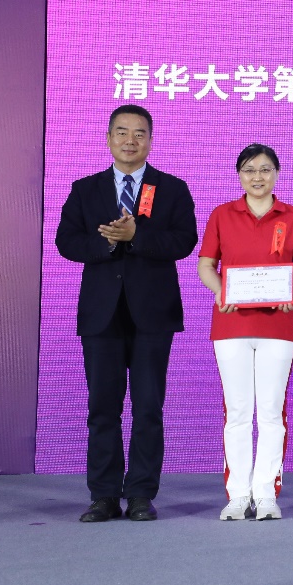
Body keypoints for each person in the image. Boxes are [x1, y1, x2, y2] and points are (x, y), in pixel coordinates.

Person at [55, 104, 197, 523]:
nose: (130, 140)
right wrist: (108, 243)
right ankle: (103, 495)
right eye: (122, 132)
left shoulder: (172, 188)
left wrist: (137, 236)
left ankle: (140, 494)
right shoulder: (86, 189)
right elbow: (66, 242)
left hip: (153, 314)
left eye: (139, 133)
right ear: (108, 139)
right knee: (103, 408)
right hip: (101, 315)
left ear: (150, 140)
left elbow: (184, 241)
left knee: (148, 408)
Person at [196, 144, 293, 521]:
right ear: (239, 175)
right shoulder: (222, 214)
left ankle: (265, 494)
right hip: (230, 324)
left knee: (271, 412)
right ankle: (237, 494)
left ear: (276, 174)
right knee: (237, 412)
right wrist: (220, 292)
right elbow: (206, 264)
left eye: (265, 169)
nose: (257, 177)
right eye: (249, 170)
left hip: (278, 325)